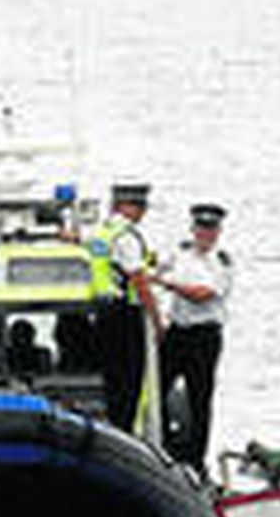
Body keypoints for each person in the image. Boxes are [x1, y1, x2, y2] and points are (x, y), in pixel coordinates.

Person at [157, 203, 233, 475]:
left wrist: (170, 285)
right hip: (177, 332)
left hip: (204, 335)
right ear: (193, 229)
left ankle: (195, 459)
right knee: (157, 389)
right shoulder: (178, 254)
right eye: (201, 228)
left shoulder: (221, 261)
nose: (206, 234)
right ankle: (164, 447)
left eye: (211, 229)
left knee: (199, 398)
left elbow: (203, 294)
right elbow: (153, 270)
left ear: (218, 232)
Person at [87, 182, 161, 432]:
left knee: (113, 379)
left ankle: (115, 425)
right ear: (124, 206)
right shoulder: (126, 237)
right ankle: (125, 430)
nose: (143, 212)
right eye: (139, 206)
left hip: (102, 312)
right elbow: (139, 280)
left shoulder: (102, 232)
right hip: (124, 313)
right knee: (131, 381)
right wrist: (157, 320)